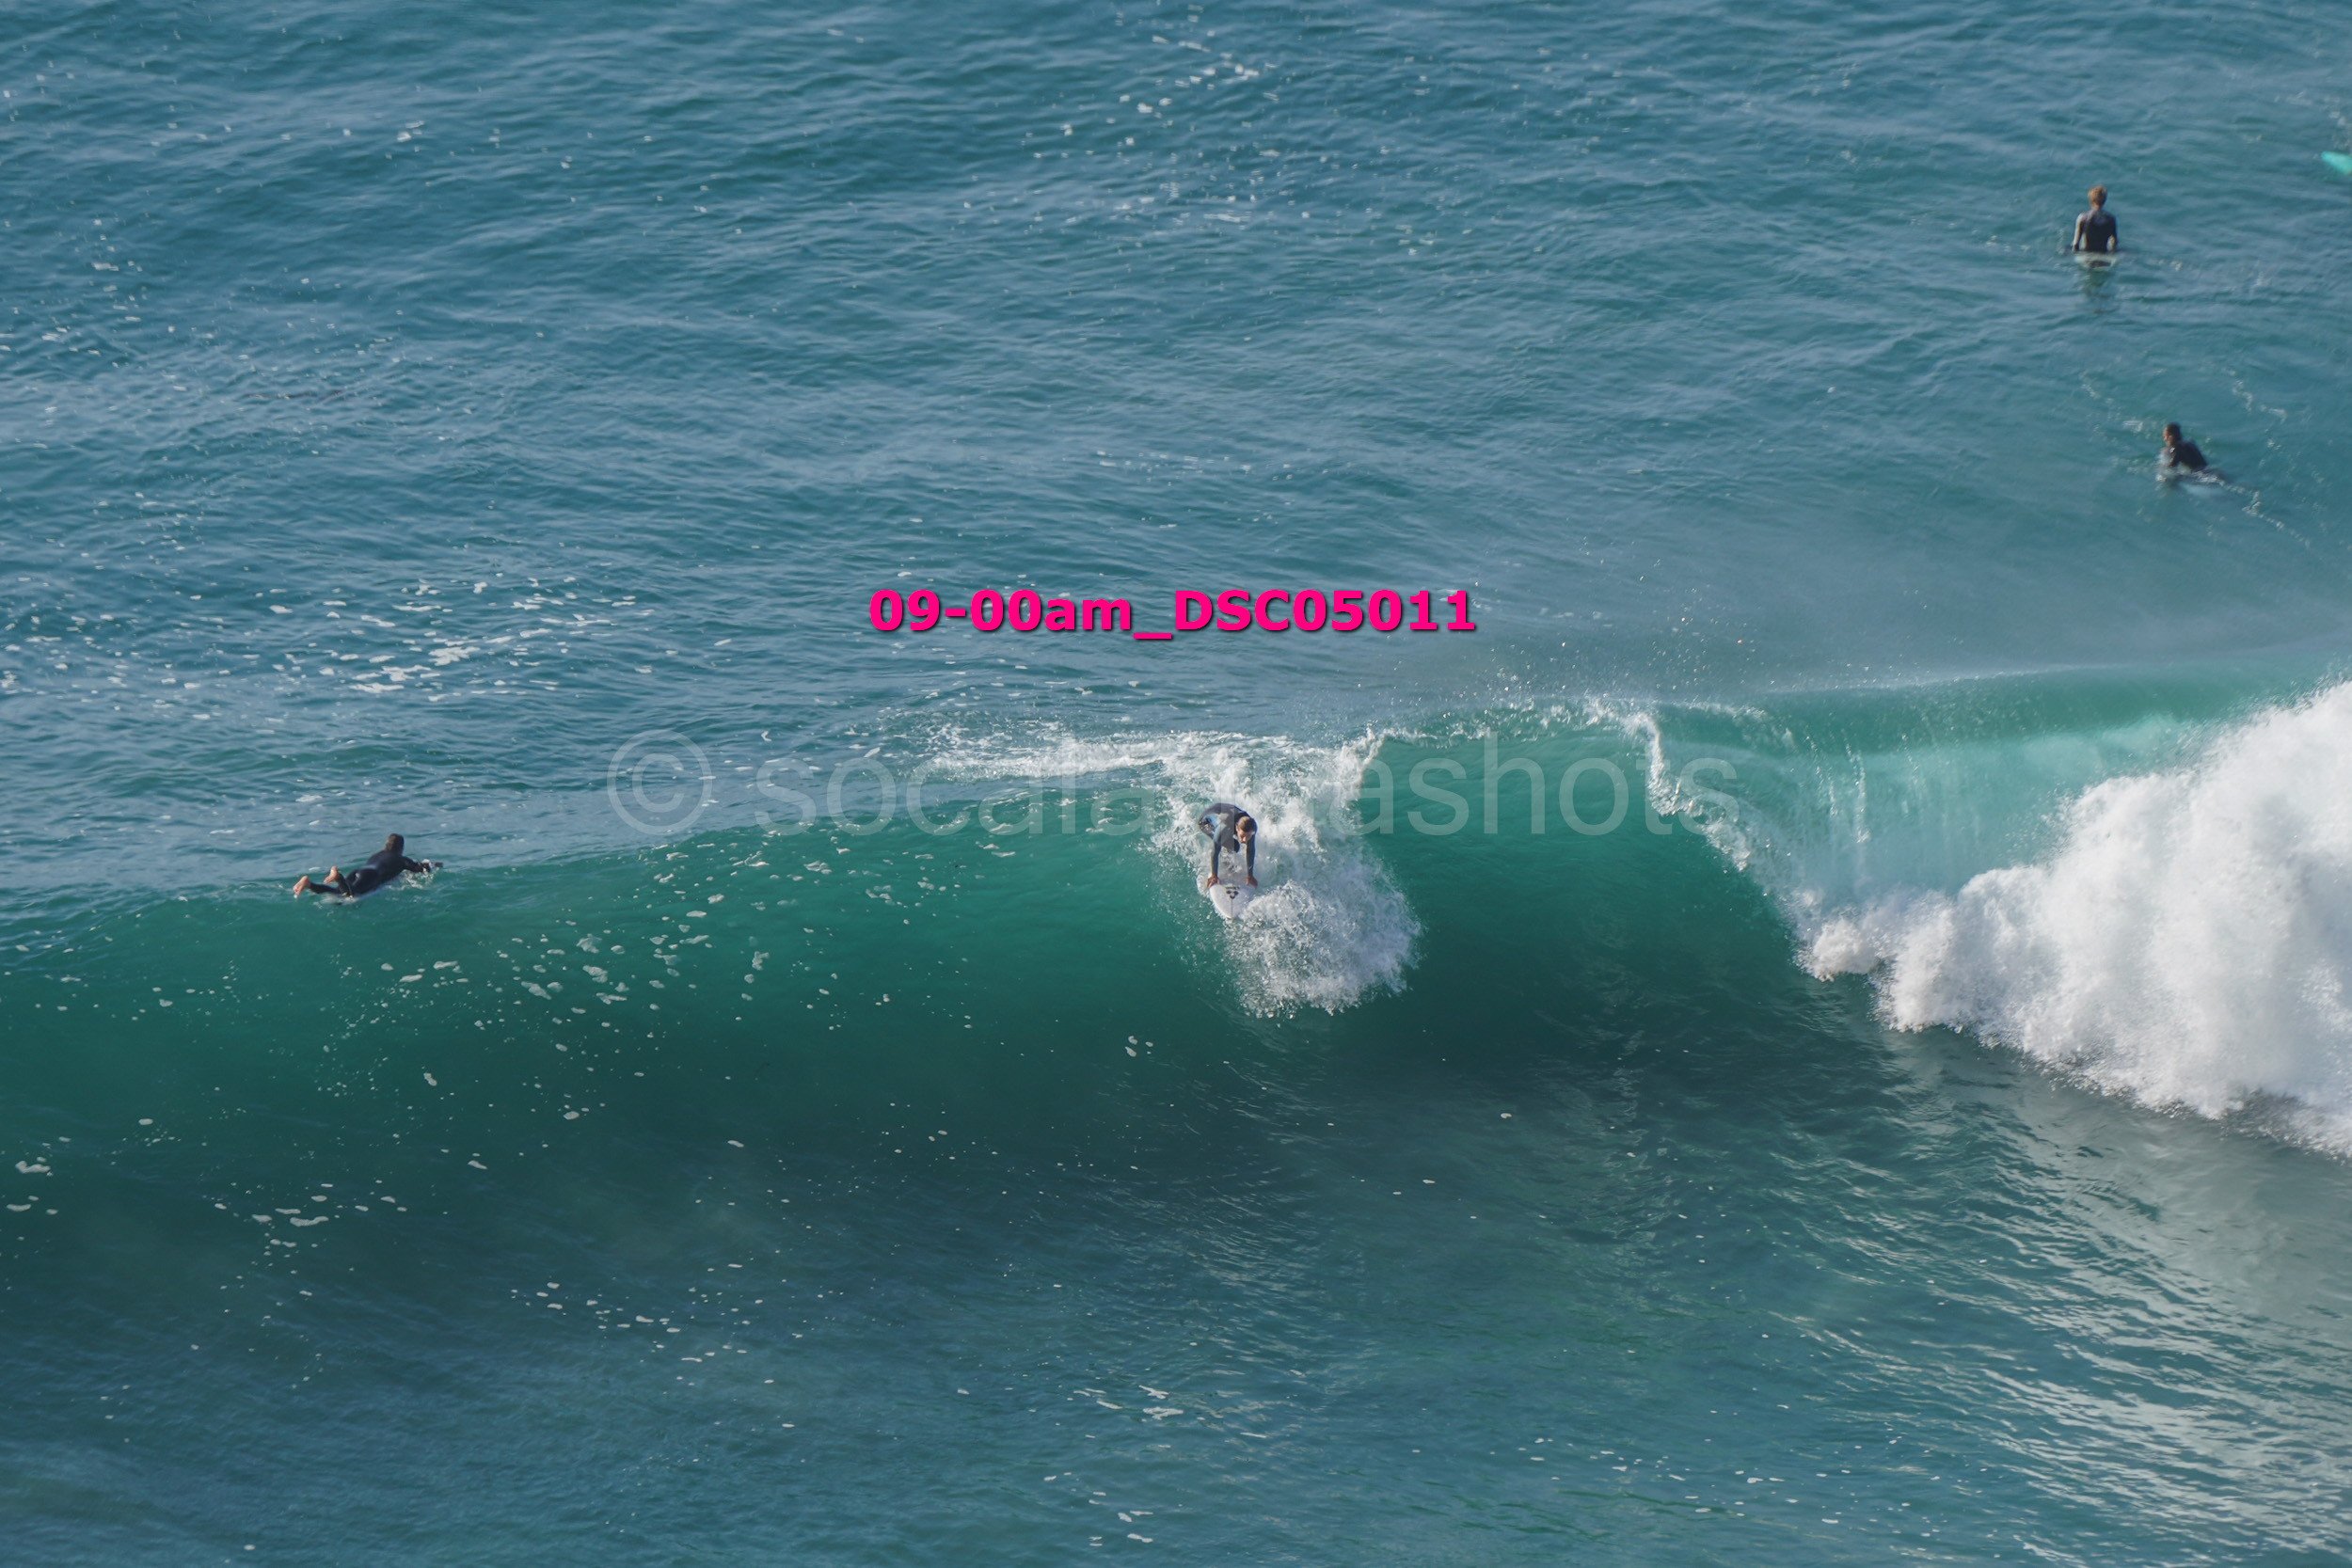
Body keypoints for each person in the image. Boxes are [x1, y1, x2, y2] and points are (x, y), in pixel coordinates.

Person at [293, 833, 438, 898]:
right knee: (351, 896)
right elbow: (419, 869)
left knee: (339, 893)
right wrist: (433, 865)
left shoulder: (378, 854)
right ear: (400, 848)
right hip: (371, 876)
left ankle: (309, 884)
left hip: (360, 871)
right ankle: (337, 876)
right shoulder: (400, 859)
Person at [1197, 802, 1258, 890]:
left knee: (1234, 846)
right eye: (1242, 836)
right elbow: (1215, 850)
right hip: (1205, 822)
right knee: (1234, 846)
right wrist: (1214, 875)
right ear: (1237, 828)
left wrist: (1250, 876)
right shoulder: (1225, 827)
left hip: (1224, 813)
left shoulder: (1252, 828)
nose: (1245, 840)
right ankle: (1225, 863)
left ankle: (1227, 859)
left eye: (1248, 836)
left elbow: (1250, 850)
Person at [2072, 185, 2118, 255]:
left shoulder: (2083, 218)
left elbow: (2075, 244)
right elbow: (2114, 242)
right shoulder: (2111, 219)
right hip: (2104, 257)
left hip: (2086, 257)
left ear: (2090, 200)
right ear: (2104, 201)